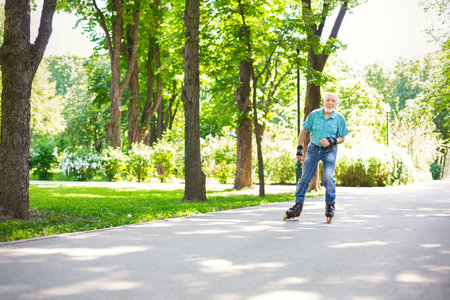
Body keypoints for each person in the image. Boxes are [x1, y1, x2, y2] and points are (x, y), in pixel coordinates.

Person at [284, 92, 348, 223]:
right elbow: (304, 131)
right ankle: (297, 206)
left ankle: (330, 206)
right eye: (328, 100)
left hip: (330, 151)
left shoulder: (339, 118)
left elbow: (342, 138)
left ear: (336, 103)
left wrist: (332, 140)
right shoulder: (314, 114)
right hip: (313, 149)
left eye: (333, 101)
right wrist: (299, 149)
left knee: (329, 178)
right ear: (323, 101)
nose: (330, 102)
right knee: (304, 179)